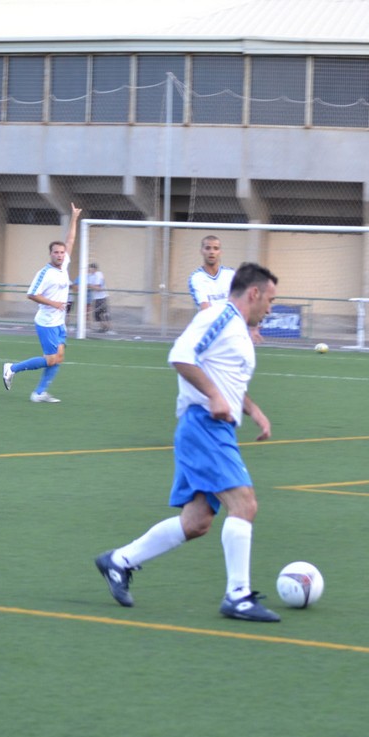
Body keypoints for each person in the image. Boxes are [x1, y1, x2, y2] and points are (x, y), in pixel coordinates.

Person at [96, 262, 283, 621]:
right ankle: (238, 597)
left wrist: (253, 409)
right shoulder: (219, 317)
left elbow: (224, 378)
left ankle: (118, 561)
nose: (270, 308)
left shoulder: (238, 327)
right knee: (244, 504)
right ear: (254, 293)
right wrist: (213, 396)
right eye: (270, 300)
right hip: (204, 426)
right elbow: (181, 355)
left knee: (196, 521)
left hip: (211, 428)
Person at [2, 204, 83, 403]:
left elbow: (70, 240)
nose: (60, 255)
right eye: (56, 252)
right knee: (51, 359)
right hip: (47, 322)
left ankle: (39, 393)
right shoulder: (45, 273)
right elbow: (31, 294)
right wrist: (53, 303)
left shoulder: (64, 266)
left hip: (59, 322)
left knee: (58, 358)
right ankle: (12, 368)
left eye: (62, 252)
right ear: (50, 254)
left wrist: (74, 218)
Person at [187, 234, 235, 310]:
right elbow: (205, 309)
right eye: (207, 248)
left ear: (220, 252)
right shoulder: (196, 277)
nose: (212, 252)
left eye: (216, 248)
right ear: (201, 251)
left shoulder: (231, 274)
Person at [86, 262, 111, 333]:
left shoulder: (98, 275)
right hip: (95, 298)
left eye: (91, 268)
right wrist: (90, 286)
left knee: (104, 313)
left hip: (102, 297)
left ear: (95, 269)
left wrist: (90, 286)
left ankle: (108, 328)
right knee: (97, 314)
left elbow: (98, 288)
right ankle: (103, 328)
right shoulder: (90, 276)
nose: (89, 270)